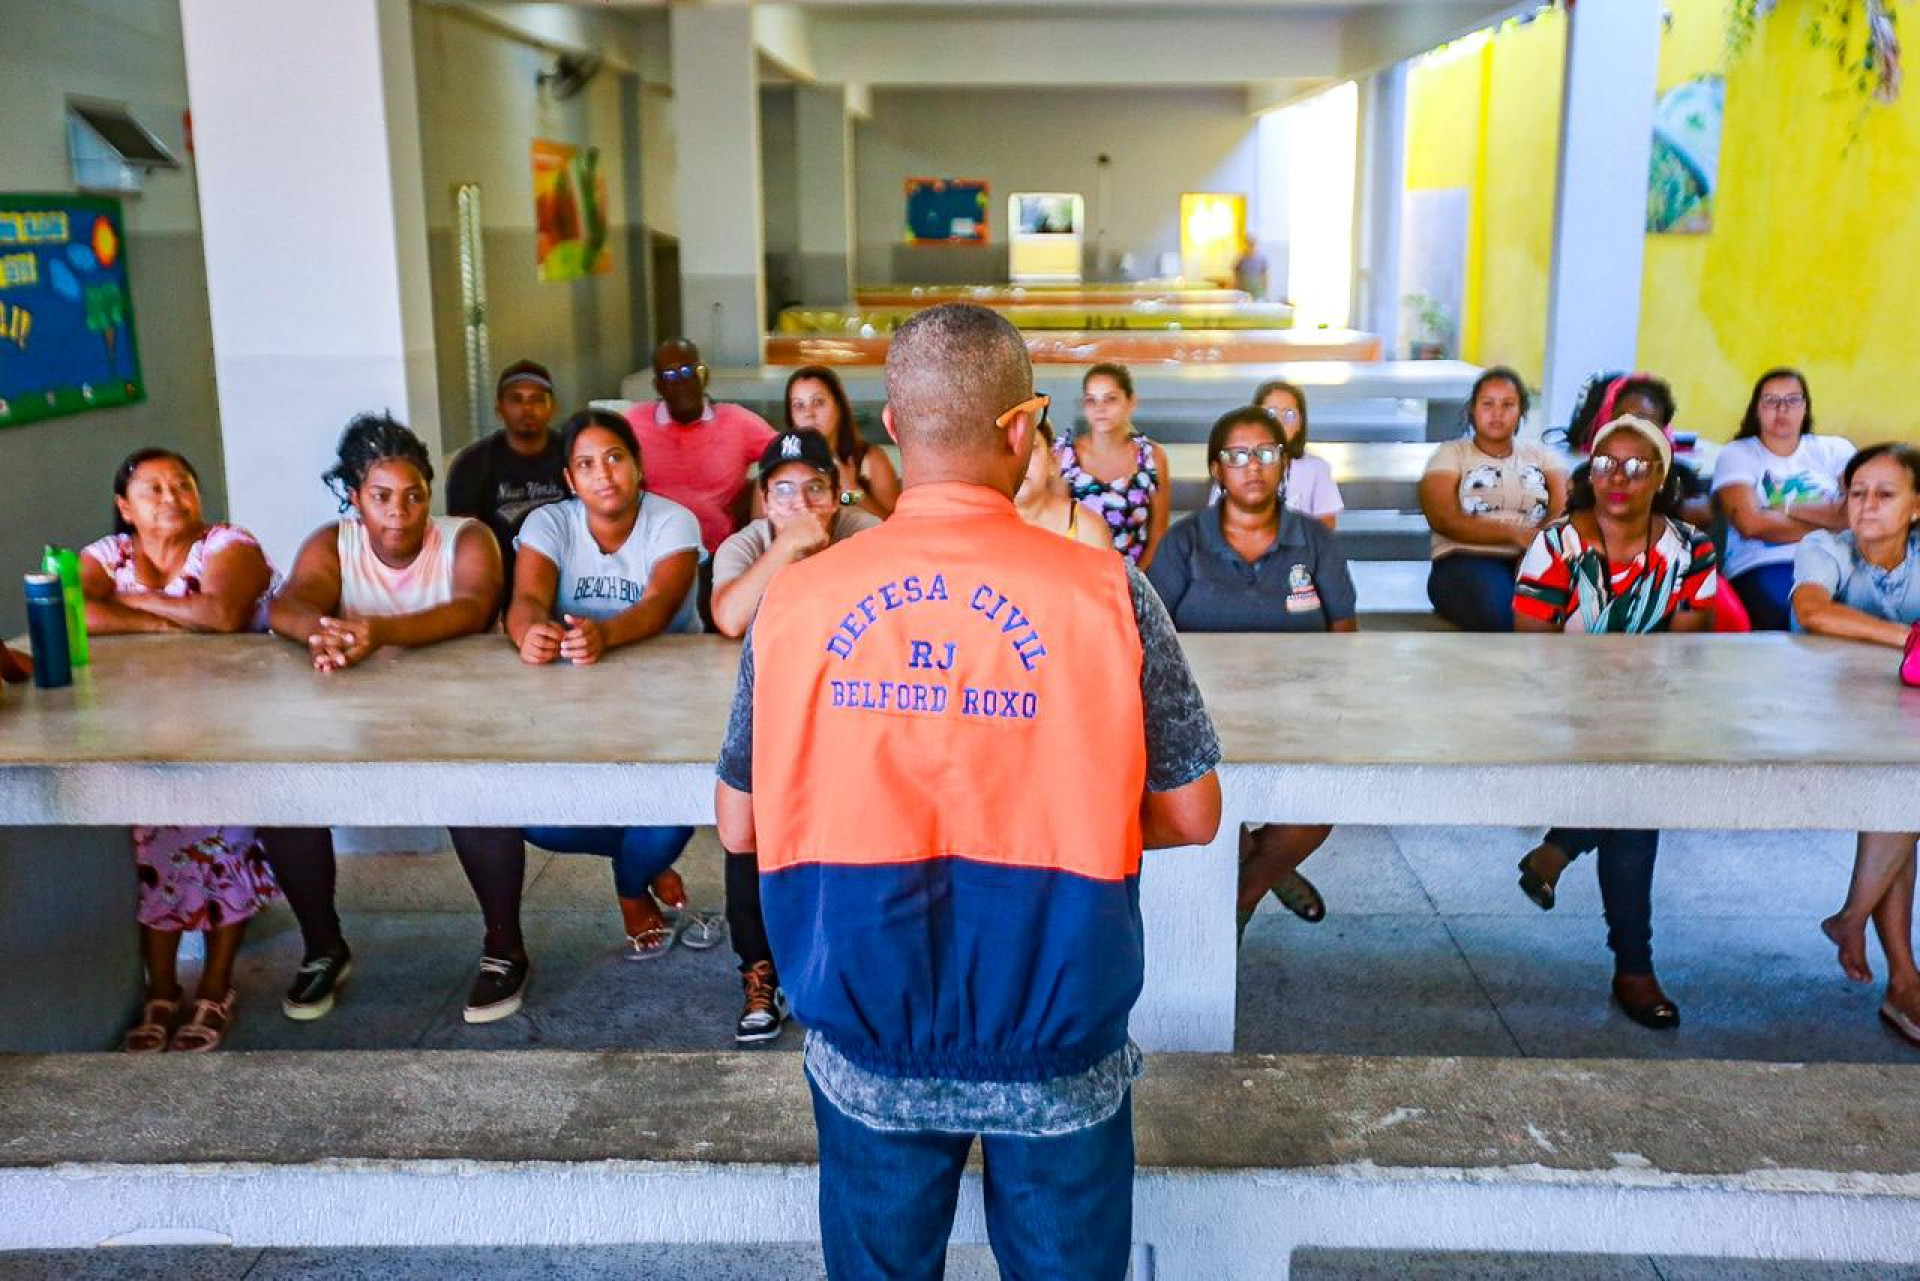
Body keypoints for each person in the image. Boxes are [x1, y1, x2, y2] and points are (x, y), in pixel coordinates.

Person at [714, 303, 1222, 1280]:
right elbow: (1193, 812)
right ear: (1024, 426)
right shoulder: (1108, 591)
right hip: (1058, 1030)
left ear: (894, 429)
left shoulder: (799, 600)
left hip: (869, 1034)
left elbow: (741, 823)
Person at [264, 413, 533, 1025]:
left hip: (459, 716)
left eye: (414, 495)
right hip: (357, 720)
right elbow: (292, 603)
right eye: (381, 496)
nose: (399, 510)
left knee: (480, 800)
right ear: (355, 497)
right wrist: (321, 635)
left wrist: (379, 630)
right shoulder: (332, 543)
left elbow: (471, 607)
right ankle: (322, 947)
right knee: (284, 801)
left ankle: (504, 948)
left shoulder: (467, 539)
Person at [1511, 415, 1719, 1030]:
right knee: (1635, 790)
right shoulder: (1556, 545)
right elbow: (1533, 649)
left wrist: (1632, 692)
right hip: (1558, 707)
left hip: (1651, 706)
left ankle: (1561, 846)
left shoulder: (1690, 548)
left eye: (1636, 465)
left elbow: (1683, 652)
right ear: (1589, 473)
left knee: (1635, 771)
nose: (1618, 477)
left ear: (1661, 478)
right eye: (1605, 464)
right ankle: (1633, 967)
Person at [79, 448, 281, 1053]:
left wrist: (129, 605)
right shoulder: (103, 554)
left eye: (182, 486)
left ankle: (217, 985)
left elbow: (221, 615)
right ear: (124, 506)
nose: (170, 498)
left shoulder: (227, 545)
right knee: (152, 850)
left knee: (229, 846)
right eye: (153, 489)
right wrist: (174, 619)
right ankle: (162, 989)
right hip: (140, 723)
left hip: (228, 721)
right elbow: (78, 611)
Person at [504, 408, 720, 960]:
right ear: (570, 481)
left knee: (673, 811)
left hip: (667, 702)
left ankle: (630, 889)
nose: (604, 474)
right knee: (538, 823)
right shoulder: (549, 524)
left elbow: (659, 606)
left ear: (638, 466)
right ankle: (641, 861)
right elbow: (526, 599)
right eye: (586, 465)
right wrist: (528, 632)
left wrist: (605, 635)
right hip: (573, 706)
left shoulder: (673, 521)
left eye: (615, 458)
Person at [1149, 406, 1355, 936]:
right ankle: (1271, 869)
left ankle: (1242, 894)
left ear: (1284, 463)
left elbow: (1343, 635)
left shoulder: (1314, 542)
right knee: (1215, 796)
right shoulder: (1184, 542)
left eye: (1266, 453)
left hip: (1296, 713)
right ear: (1217, 469)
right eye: (1237, 455)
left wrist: (1333, 713)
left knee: (1320, 800)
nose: (1253, 466)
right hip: (1201, 716)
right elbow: (1150, 639)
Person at [706, 429, 880, 1039]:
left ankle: (845, 960)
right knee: (747, 824)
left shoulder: (865, 531)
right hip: (768, 709)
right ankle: (759, 969)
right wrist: (789, 547)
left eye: (815, 489)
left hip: (849, 709)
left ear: (839, 494)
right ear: (763, 500)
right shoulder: (746, 544)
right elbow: (728, 616)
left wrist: (822, 547)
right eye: (784, 492)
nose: (802, 504)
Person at [1792, 443, 1920, 1047]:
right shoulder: (1827, 548)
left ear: (1916, 507)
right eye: (1857, 491)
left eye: (1885, 494)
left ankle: (1888, 959)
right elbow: (1814, 612)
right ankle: (1879, 951)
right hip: (1825, 714)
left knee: (1901, 794)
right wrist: (1911, 638)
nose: (1866, 505)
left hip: (1898, 721)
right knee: (1901, 790)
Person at [1418, 366, 1568, 632]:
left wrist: (1538, 546)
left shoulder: (1541, 455)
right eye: (1488, 404)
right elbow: (1443, 518)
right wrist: (1514, 535)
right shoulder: (1451, 454)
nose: (1497, 413)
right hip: (1465, 559)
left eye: (1508, 404)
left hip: (1536, 558)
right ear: (1472, 411)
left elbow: (1564, 503)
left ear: (1521, 412)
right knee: (1503, 613)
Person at [1713, 368, 1856, 631]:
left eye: (1792, 400)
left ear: (1806, 407)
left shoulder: (1835, 450)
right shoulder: (1738, 454)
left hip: (1838, 560)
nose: (1782, 409)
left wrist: (1786, 507)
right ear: (1757, 408)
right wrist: (1832, 521)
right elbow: (1752, 525)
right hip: (1765, 563)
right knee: (1800, 624)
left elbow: (1855, 513)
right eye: (1771, 400)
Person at [624, 338, 777, 555]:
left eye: (687, 371)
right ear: (658, 386)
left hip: (718, 553)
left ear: (702, 376)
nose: (681, 382)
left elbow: (790, 454)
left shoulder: (738, 422)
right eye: (670, 376)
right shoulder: (633, 423)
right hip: (651, 554)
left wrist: (758, 491)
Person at [446, 359, 567, 604]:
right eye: (517, 399)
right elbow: (465, 538)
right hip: (499, 588)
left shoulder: (572, 455)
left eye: (536, 399)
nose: (527, 408)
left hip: (567, 581)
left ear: (552, 407)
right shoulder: (472, 464)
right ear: (499, 408)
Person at [1057, 362, 1171, 569]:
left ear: (1131, 402)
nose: (1100, 409)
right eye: (1091, 400)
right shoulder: (1065, 456)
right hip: (1078, 577)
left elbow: (1159, 534)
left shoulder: (1151, 457)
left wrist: (1134, 583)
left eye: (1111, 399)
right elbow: (1056, 527)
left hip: (1135, 579)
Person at [1565, 371, 1712, 529]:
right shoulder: (1591, 470)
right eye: (1622, 416)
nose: (1630, 424)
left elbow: (1703, 512)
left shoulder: (1679, 474)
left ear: (1661, 430)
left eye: (1641, 420)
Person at [784, 365, 900, 519]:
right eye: (799, 406)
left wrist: (851, 492)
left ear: (839, 406)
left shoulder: (869, 460)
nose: (809, 414)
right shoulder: (779, 465)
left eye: (818, 402)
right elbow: (762, 531)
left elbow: (893, 526)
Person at [1253, 378, 1343, 530]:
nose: (1279, 422)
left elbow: (1326, 527)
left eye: (1289, 414)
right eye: (1271, 413)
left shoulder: (1316, 469)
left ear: (1299, 423)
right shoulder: (1235, 462)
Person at [1013, 418, 1113, 551]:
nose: (1021, 460)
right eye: (1007, 448)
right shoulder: (977, 527)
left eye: (1032, 448)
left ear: (1052, 461)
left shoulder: (1087, 529)